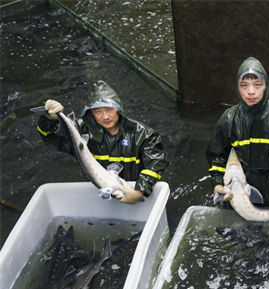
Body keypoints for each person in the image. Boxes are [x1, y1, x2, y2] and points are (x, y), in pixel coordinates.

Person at [36, 80, 169, 204]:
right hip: (100, 187)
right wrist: (50, 119)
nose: (105, 117)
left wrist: (140, 191)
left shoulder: (144, 134)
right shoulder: (81, 129)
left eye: (109, 110)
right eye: (98, 111)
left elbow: (156, 163)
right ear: (91, 114)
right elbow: (51, 138)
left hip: (131, 187)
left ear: (118, 109)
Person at [205, 57, 269, 207]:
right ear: (237, 88)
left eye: (257, 85)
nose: (251, 92)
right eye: (244, 86)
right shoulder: (228, 119)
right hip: (238, 194)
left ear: (266, 86)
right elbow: (216, 157)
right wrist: (217, 185)